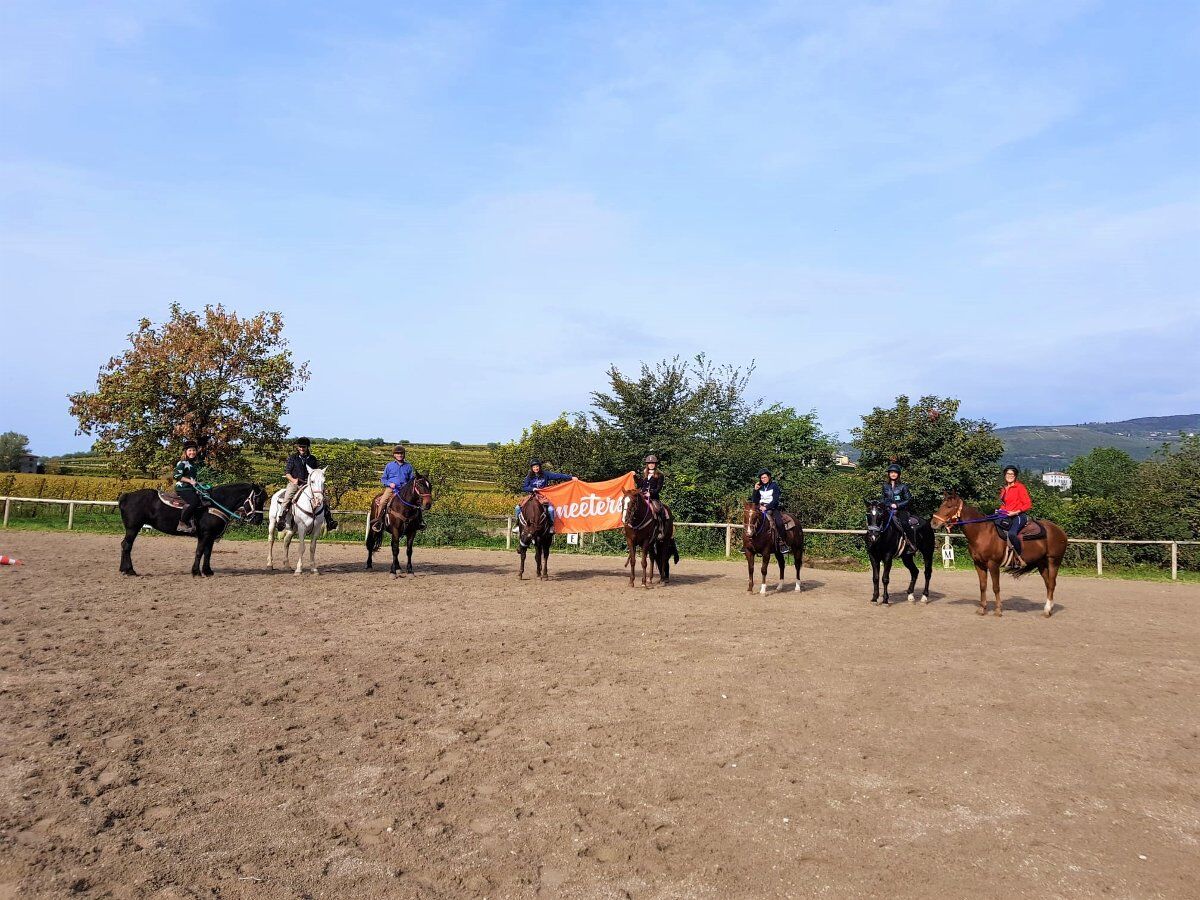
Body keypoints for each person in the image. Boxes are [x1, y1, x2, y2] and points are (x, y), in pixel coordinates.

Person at [278, 437, 337, 532]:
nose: (302, 448)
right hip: (296, 483)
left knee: (324, 499)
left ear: (307, 447)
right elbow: (287, 473)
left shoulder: (312, 459)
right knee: (287, 497)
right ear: (297, 447)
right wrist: (293, 480)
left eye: (304, 447)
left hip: (309, 484)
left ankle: (329, 521)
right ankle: (282, 519)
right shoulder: (292, 458)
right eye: (300, 447)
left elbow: (316, 472)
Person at [514, 459, 574, 529]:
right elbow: (524, 487)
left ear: (539, 466)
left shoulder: (545, 474)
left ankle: (551, 526)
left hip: (542, 497)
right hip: (532, 496)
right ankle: (518, 524)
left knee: (550, 509)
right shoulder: (529, 476)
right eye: (534, 467)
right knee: (517, 508)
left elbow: (558, 475)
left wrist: (571, 477)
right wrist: (532, 489)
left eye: (537, 466)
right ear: (531, 468)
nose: (536, 468)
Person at [375, 445, 420, 529]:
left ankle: (419, 522)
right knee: (382, 502)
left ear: (404, 454)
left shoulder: (408, 466)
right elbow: (383, 479)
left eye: (401, 453)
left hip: (404, 490)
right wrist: (389, 483)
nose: (399, 455)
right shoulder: (389, 465)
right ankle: (378, 521)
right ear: (394, 455)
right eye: (397, 453)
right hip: (391, 489)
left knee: (417, 503)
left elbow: (411, 480)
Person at [997, 464, 1033, 566]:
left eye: (1012, 474)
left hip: (1018, 516)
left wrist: (1016, 511)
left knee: (1012, 534)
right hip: (1006, 515)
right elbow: (1005, 504)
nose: (1010, 476)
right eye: (1008, 474)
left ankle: (1020, 557)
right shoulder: (1004, 489)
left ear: (1015, 476)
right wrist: (1000, 510)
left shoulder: (1020, 487)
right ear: (1005, 475)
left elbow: (1028, 504)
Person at [751, 468, 790, 551]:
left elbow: (775, 500)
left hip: (772, 508)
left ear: (769, 477)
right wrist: (755, 490)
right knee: (750, 520)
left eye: (765, 477)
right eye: (762, 478)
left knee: (779, 523)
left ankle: (782, 543)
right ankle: (748, 542)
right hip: (760, 508)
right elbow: (754, 501)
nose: (763, 479)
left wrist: (766, 507)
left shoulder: (774, 485)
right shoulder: (760, 487)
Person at [173, 439, 206, 530]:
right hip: (183, 488)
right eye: (190, 450)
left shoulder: (193, 464)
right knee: (195, 502)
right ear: (186, 452)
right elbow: (176, 475)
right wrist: (190, 481)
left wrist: (197, 483)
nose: (192, 452)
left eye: (194, 450)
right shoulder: (182, 463)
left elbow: (192, 478)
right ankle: (182, 523)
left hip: (190, 489)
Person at [880, 463, 916, 543]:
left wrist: (897, 505)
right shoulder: (885, 486)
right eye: (891, 472)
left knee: (904, 523)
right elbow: (882, 499)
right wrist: (888, 505)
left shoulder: (903, 486)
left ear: (898, 474)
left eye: (895, 472)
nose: (893, 474)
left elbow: (909, 500)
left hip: (901, 511)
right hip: (888, 509)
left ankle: (911, 543)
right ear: (889, 474)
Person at [636, 454, 668, 523]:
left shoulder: (660, 475)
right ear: (647, 464)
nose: (651, 464)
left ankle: (661, 526)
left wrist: (650, 493)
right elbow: (639, 485)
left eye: (653, 463)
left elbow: (659, 488)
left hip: (653, 498)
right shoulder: (644, 474)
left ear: (655, 464)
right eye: (649, 463)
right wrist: (634, 477)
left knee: (658, 509)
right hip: (643, 497)